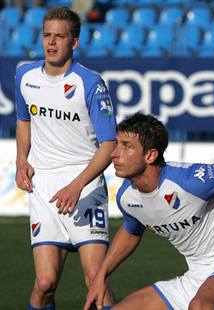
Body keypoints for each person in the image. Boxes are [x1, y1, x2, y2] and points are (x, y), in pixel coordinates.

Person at [84, 113, 214, 310]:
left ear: (150, 155)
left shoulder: (191, 180)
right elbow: (131, 230)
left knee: (202, 306)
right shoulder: (127, 198)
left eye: (126, 146)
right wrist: (101, 276)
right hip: (196, 276)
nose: (114, 153)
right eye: (117, 144)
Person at [15, 7, 116, 310]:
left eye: (60, 36)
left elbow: (109, 145)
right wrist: (21, 159)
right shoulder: (25, 75)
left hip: (84, 186)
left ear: (74, 42)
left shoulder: (90, 83)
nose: (51, 42)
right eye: (47, 35)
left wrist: (76, 186)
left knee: (95, 278)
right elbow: (23, 119)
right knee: (45, 283)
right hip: (43, 186)